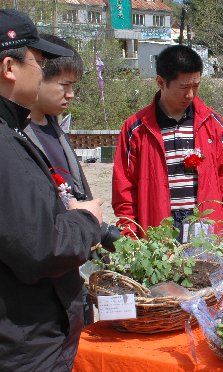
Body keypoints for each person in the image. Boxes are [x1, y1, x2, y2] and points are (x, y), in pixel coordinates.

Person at [0, 9, 103, 371]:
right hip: (24, 343)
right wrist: (87, 220)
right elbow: (40, 245)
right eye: (40, 62)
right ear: (10, 68)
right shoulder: (5, 142)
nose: (44, 72)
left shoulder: (12, 130)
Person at [112, 45, 223, 241]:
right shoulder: (136, 129)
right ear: (161, 82)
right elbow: (124, 190)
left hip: (205, 225)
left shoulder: (213, 123)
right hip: (158, 227)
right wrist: (130, 235)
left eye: (196, 86)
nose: (190, 95)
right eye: (183, 87)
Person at [24, 34, 97, 326]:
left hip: (75, 260)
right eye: (64, 86)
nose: (70, 95)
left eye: (73, 87)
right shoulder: (18, 135)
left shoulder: (55, 129)